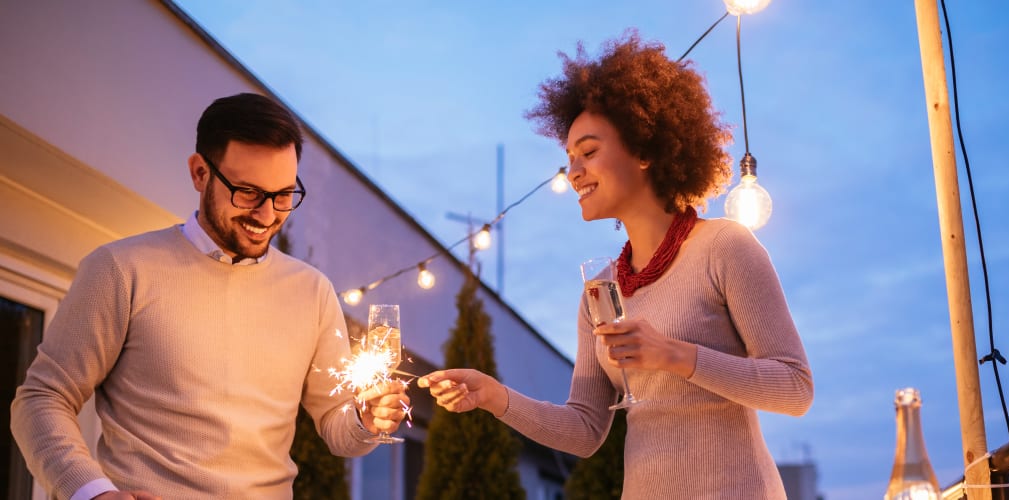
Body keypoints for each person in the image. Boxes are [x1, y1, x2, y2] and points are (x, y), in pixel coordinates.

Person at [419, 33, 814, 499]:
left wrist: (673, 354)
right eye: (569, 159)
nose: (575, 171)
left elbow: (794, 387)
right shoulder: (600, 292)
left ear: (645, 150)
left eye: (588, 152)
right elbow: (586, 430)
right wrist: (495, 397)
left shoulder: (725, 246)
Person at [10, 93, 409, 499]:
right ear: (200, 173)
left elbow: (339, 428)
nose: (268, 216)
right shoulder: (121, 269)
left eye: (284, 195)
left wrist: (366, 418)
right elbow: (41, 399)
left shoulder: (313, 292)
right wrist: (93, 492)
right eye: (248, 193)